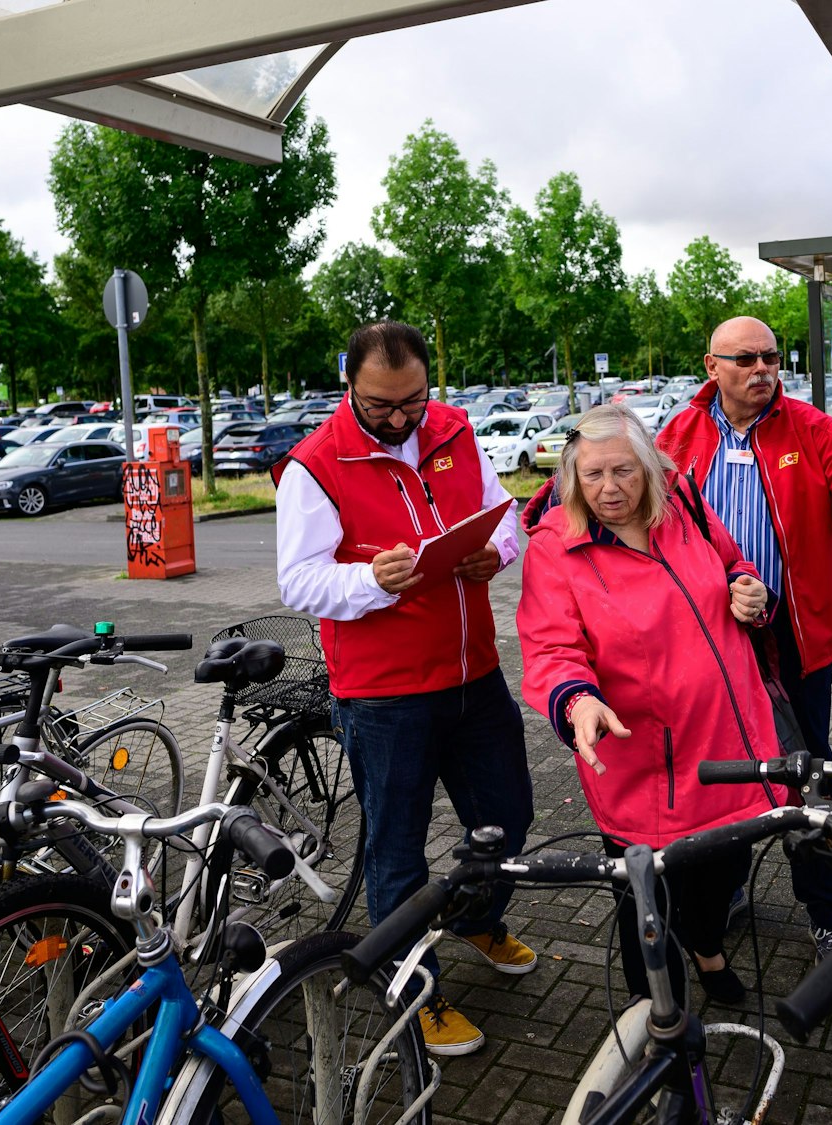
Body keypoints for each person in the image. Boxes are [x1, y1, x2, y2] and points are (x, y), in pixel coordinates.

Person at [273, 321, 536, 1057]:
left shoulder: (451, 429)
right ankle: (410, 986)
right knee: (397, 852)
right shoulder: (315, 465)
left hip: (473, 673)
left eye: (412, 401)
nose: (399, 419)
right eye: (381, 405)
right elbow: (300, 579)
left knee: (508, 818)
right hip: (385, 696)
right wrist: (369, 579)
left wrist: (496, 552)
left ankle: (478, 918)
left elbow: (502, 513)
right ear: (348, 386)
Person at [517, 404, 777, 1008]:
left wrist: (748, 589)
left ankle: (707, 947)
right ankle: (653, 1018)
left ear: (651, 469)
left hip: (729, 743)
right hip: (647, 765)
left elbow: (733, 562)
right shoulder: (559, 550)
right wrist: (576, 701)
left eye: (625, 471)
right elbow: (553, 647)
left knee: (723, 870)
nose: (610, 489)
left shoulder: (684, 504)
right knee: (645, 901)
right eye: (594, 475)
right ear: (571, 480)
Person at [656, 316, 832, 959]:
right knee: (729, 770)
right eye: (746, 359)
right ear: (713, 367)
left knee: (808, 766)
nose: (763, 369)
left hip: (795, 636)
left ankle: (827, 905)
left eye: (770, 358)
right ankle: (728, 885)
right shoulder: (678, 434)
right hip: (713, 640)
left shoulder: (813, 429)